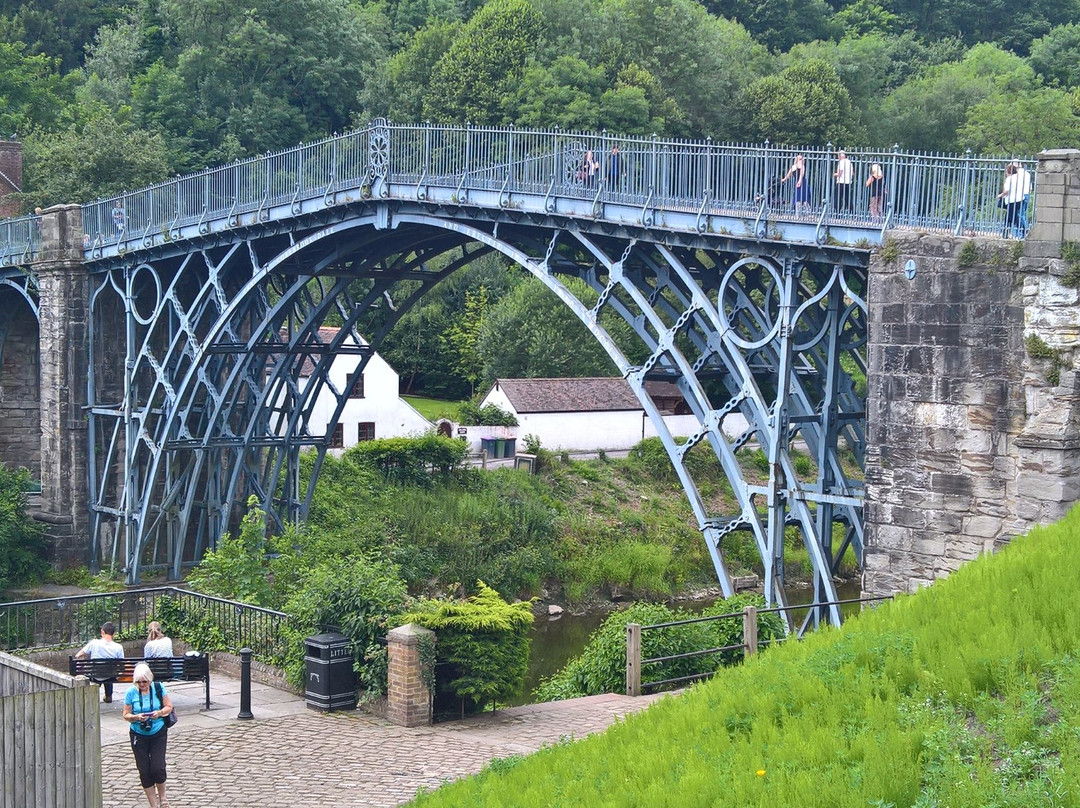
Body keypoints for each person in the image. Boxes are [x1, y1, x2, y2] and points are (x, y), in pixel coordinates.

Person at [123, 662, 174, 808]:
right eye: (138, 682)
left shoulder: (158, 688)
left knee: (158, 767)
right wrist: (136, 717)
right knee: (144, 770)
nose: (142, 685)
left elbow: (169, 706)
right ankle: (153, 804)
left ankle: (163, 798)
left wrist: (159, 713)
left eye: (144, 681)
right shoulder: (131, 692)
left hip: (158, 731)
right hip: (139, 733)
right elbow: (125, 714)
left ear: (150, 680)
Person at [75, 620, 125, 703]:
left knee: (98, 671)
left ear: (102, 631)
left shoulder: (94, 643)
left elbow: (78, 655)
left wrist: (77, 656)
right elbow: (122, 664)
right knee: (109, 672)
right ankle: (108, 695)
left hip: (95, 675)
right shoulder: (118, 647)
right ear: (114, 633)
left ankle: (93, 694)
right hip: (110, 675)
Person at [998, 162, 1024, 239]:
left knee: (1013, 218)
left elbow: (1007, 190)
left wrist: (1000, 195)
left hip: (1012, 200)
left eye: (1006, 171)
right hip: (1019, 199)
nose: (1006, 172)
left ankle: (1022, 231)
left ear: (1009, 171)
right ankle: (1005, 233)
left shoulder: (1009, 179)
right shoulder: (1018, 178)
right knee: (1009, 217)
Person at [1014, 160, 1032, 237]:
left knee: (1019, 215)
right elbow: (1030, 187)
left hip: (1019, 195)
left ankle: (1022, 232)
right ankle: (1020, 233)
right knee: (1021, 214)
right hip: (1026, 194)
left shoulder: (1017, 174)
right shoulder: (1027, 173)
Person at [833, 150, 853, 214]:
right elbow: (852, 173)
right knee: (847, 198)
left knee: (838, 197)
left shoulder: (841, 162)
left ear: (840, 156)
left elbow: (840, 173)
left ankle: (837, 212)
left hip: (841, 182)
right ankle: (852, 212)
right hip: (848, 182)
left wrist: (835, 174)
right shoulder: (849, 162)